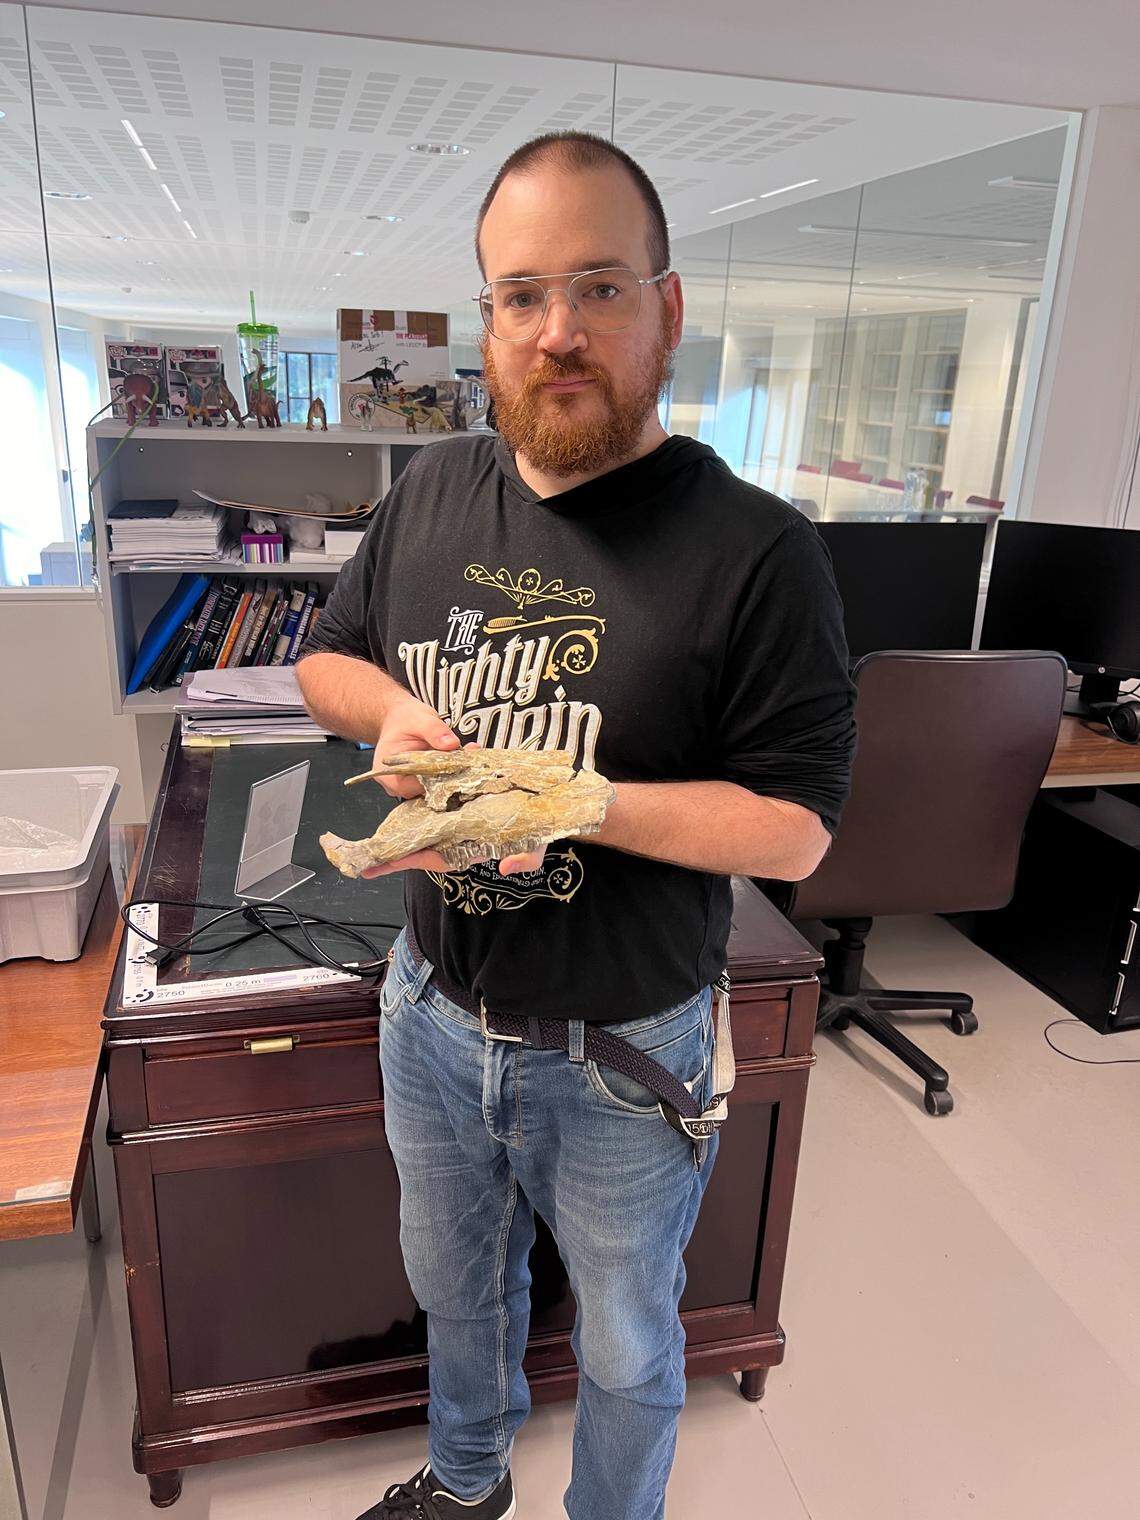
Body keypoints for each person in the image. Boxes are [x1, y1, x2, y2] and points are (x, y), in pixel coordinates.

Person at [296, 130, 856, 1520]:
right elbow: (327, 654)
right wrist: (393, 719)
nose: (559, 331)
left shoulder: (762, 553)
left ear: (666, 310)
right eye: (522, 293)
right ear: (485, 321)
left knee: (626, 1340)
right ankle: (467, 1480)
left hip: (622, 1052)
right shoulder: (432, 489)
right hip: (430, 1008)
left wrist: (580, 801)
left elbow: (795, 834)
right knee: (454, 1285)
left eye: (600, 287)